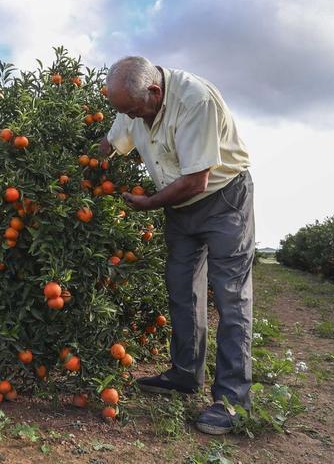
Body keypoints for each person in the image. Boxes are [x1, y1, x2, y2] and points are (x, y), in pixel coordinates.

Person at [100, 56, 254, 435]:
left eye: (134, 109)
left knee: (230, 296)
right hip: (180, 207)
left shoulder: (195, 101)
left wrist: (149, 203)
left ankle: (232, 400)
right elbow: (109, 144)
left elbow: (197, 180)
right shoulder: (132, 107)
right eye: (125, 111)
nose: (131, 117)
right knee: (182, 290)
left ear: (154, 92)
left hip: (223, 200)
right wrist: (74, 169)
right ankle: (186, 374)